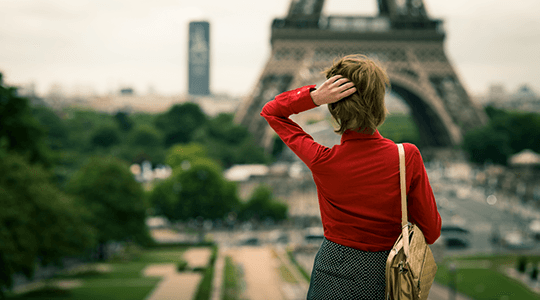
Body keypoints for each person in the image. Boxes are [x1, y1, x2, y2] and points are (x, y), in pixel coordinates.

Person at [260, 54, 441, 299]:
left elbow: (272, 112)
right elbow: (430, 232)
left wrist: (314, 97)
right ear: (380, 102)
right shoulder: (406, 157)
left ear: (334, 107)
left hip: (332, 271)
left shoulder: (322, 160)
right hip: (386, 275)